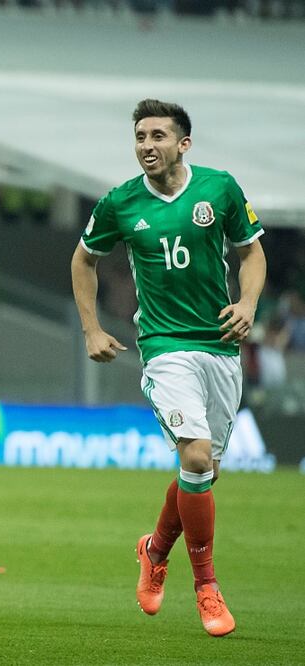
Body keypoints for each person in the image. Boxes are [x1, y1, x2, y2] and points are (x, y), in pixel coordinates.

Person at [71, 98, 265, 638]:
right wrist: (91, 327)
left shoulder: (219, 189)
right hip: (163, 345)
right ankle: (206, 586)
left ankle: (154, 550)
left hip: (220, 346)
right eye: (140, 136)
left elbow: (251, 252)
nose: (146, 145)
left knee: (202, 473)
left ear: (183, 144)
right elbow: (83, 258)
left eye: (158, 135)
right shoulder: (119, 203)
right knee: (196, 455)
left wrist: (248, 305)